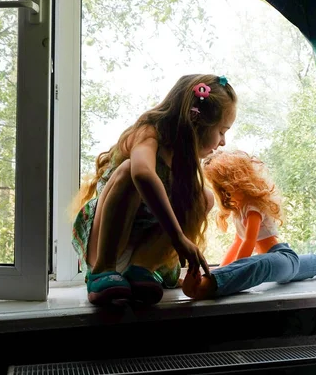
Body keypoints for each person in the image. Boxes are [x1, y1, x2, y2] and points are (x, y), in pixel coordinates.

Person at [71, 74, 238, 306]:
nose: (223, 142)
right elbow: (142, 173)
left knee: (203, 197)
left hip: (141, 254)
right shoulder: (149, 132)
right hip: (106, 247)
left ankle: (142, 268)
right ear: (197, 123)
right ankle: (103, 270)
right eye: (221, 131)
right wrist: (179, 238)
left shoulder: (184, 162)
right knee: (131, 169)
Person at [182, 149, 316, 299]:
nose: (222, 194)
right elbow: (237, 242)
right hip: (279, 262)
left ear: (234, 182)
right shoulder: (240, 211)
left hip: (281, 257)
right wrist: (220, 270)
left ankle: (207, 286)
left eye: (222, 187)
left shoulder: (252, 207)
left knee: (259, 266)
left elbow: (249, 242)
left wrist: (231, 272)